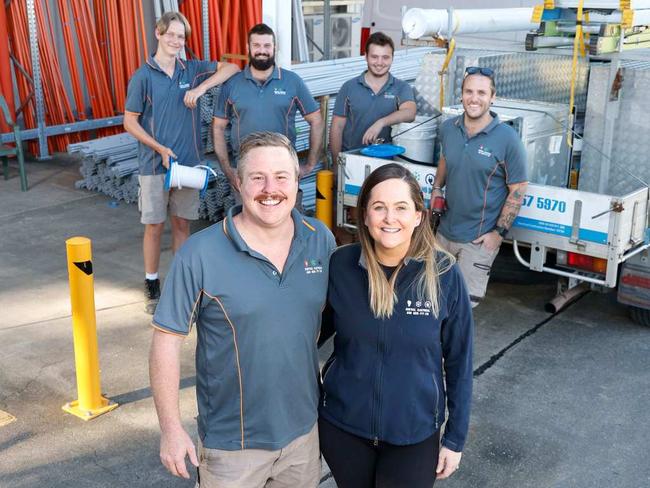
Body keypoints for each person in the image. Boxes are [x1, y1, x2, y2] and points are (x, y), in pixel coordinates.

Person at [149, 132, 336, 488]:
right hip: (231, 447)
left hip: (303, 436)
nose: (270, 188)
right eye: (257, 177)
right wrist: (170, 429)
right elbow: (166, 341)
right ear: (238, 182)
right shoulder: (200, 253)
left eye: (282, 176)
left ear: (297, 182)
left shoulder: (320, 239)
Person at [318, 163, 474, 488]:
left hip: (414, 434)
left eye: (401, 208)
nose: (390, 218)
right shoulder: (342, 266)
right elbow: (307, 337)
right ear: (364, 214)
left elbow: (460, 361)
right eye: (379, 207)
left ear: (418, 215)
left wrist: (455, 437)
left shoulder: (444, 274)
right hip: (344, 428)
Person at [124, 11, 239, 314]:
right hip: (154, 166)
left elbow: (232, 66)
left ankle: (181, 281)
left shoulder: (192, 70)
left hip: (188, 165)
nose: (176, 41)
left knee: (182, 224)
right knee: (153, 225)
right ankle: (152, 283)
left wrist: (202, 89)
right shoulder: (143, 77)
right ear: (158, 34)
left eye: (181, 37)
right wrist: (159, 147)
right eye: (171, 34)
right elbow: (129, 122)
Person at [432, 66, 528, 307]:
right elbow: (445, 158)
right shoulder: (448, 129)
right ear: (462, 94)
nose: (474, 98)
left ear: (492, 97)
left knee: (460, 309)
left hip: (476, 241)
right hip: (443, 236)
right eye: (469, 91)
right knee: (430, 302)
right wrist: (436, 188)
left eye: (482, 93)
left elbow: (517, 188)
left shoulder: (507, 139)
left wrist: (498, 234)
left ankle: (453, 346)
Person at [212, 23, 323, 197]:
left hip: (283, 170)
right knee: (246, 222)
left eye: (267, 45)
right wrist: (227, 170)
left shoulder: (292, 82)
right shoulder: (232, 84)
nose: (262, 50)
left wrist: (310, 164)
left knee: (287, 221)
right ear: (248, 47)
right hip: (246, 170)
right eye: (256, 45)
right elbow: (217, 127)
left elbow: (316, 120)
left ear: (274, 48)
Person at [329, 31, 416, 165]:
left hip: (388, 162)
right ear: (366, 57)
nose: (379, 63)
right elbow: (337, 127)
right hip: (352, 161)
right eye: (374, 57)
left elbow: (410, 112)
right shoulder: (349, 87)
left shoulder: (401, 87)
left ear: (392, 58)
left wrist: (380, 123)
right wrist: (336, 163)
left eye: (385, 57)